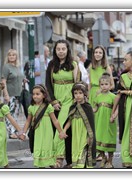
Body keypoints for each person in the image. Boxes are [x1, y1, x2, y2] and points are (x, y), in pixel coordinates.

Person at [45, 39, 80, 168]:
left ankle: (59, 159)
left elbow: (78, 84)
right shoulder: (51, 64)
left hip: (69, 100)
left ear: (67, 50)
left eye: (63, 49)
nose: (60, 51)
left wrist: (77, 99)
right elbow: (48, 84)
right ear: (55, 50)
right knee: (54, 128)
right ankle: (64, 159)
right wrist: (53, 101)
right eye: (58, 49)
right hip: (56, 100)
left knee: (60, 127)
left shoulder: (74, 64)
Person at [20, 84, 67, 168]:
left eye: (37, 94)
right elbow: (28, 121)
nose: (35, 96)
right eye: (33, 94)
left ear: (44, 95)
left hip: (47, 133)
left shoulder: (48, 107)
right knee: (39, 151)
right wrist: (23, 133)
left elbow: (55, 120)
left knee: (47, 148)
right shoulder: (31, 107)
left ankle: (53, 165)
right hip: (37, 133)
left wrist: (61, 132)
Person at [63, 81, 96, 168]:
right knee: (76, 153)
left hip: (84, 135)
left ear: (85, 94)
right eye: (75, 93)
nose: (78, 95)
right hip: (75, 136)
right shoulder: (72, 107)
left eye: (80, 93)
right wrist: (64, 130)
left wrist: (90, 137)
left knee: (83, 153)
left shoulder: (88, 107)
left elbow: (91, 124)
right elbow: (69, 121)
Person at [93, 73, 117, 168]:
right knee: (99, 140)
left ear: (110, 85)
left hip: (109, 122)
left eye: (106, 84)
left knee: (109, 140)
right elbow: (95, 108)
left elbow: (116, 108)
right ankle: (103, 157)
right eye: (102, 84)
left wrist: (114, 116)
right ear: (99, 85)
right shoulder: (98, 97)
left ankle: (110, 161)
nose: (104, 86)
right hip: (99, 122)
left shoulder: (113, 96)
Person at [1, 49, 25, 139]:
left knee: (16, 114)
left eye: (13, 55)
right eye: (10, 55)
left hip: (18, 94)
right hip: (10, 94)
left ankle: (14, 131)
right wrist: (6, 94)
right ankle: (11, 133)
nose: (11, 56)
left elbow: (19, 77)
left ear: (16, 57)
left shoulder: (17, 67)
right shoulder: (6, 67)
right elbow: (3, 81)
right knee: (9, 114)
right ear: (8, 57)